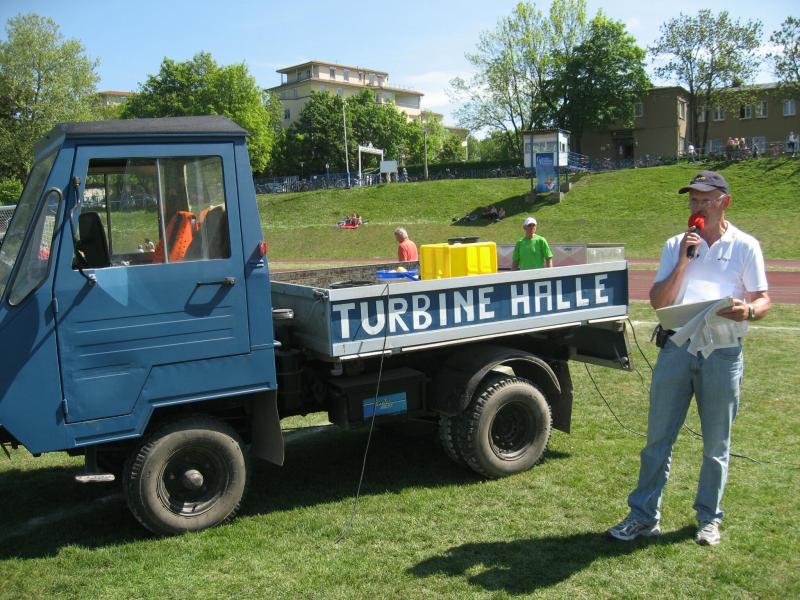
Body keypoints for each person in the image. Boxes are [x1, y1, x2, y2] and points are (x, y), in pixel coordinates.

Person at [607, 170, 770, 547]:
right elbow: (659, 301)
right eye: (693, 200)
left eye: (705, 200)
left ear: (724, 202)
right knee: (657, 440)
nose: (697, 207)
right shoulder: (675, 245)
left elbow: (763, 299)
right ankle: (643, 516)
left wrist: (749, 310)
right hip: (677, 350)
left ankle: (709, 518)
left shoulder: (746, 246)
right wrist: (684, 260)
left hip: (723, 354)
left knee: (716, 445)